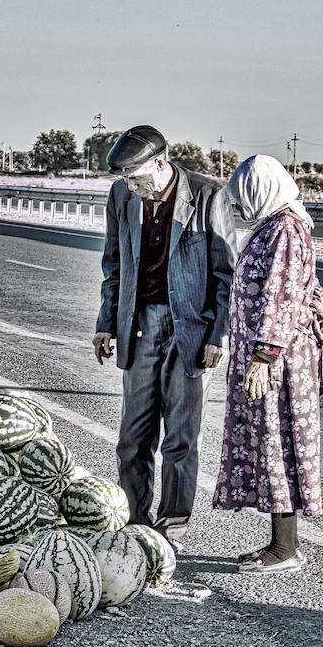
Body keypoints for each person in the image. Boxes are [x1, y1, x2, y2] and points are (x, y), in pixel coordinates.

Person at [93, 125, 237, 551]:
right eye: (126, 181)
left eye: (137, 178)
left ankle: (171, 528)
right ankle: (135, 524)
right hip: (138, 325)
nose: (132, 188)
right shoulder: (122, 197)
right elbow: (113, 263)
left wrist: (219, 333)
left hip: (191, 328)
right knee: (133, 437)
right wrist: (105, 322)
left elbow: (228, 273)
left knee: (180, 436)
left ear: (160, 163)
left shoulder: (209, 195)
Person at [212, 154, 323, 574]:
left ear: (261, 191)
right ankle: (282, 544)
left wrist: (263, 357)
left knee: (278, 445)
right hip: (269, 356)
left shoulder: (285, 229)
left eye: (243, 198)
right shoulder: (277, 225)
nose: (240, 208)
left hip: (277, 363)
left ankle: (285, 549)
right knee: (269, 444)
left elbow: (281, 296)